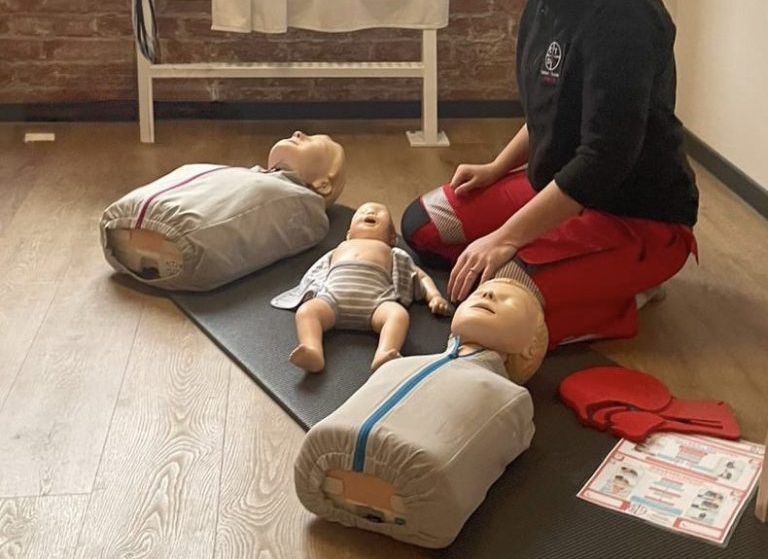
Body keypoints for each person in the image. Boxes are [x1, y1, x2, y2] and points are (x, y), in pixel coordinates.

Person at [401, 0, 699, 348]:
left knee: (498, 297)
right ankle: (570, 272)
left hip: (635, 217)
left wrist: (506, 238)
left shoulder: (623, 13)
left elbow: (605, 157)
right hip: (559, 191)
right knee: (425, 226)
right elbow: (553, 108)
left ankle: (630, 291)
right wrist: (497, 167)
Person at [292, 273, 547, 548]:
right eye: (479, 292)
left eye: (510, 301)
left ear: (530, 346)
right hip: (335, 455)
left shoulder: (510, 398)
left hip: (413, 480)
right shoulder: (398, 364)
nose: (487, 294)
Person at [101, 130, 346, 291]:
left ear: (323, 185)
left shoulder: (303, 207)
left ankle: (151, 241)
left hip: (184, 234)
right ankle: (151, 239)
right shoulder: (253, 176)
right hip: (167, 216)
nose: (298, 133)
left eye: (313, 141)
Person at [271, 202, 453, 372]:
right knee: (307, 311)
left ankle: (385, 353)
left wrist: (434, 296)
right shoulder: (340, 248)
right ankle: (312, 349)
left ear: (392, 237)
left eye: (380, 213)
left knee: (397, 315)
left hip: (377, 303)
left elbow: (419, 275)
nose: (370, 212)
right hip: (332, 300)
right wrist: (307, 291)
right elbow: (317, 272)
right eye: (362, 212)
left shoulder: (392, 252)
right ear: (349, 234)